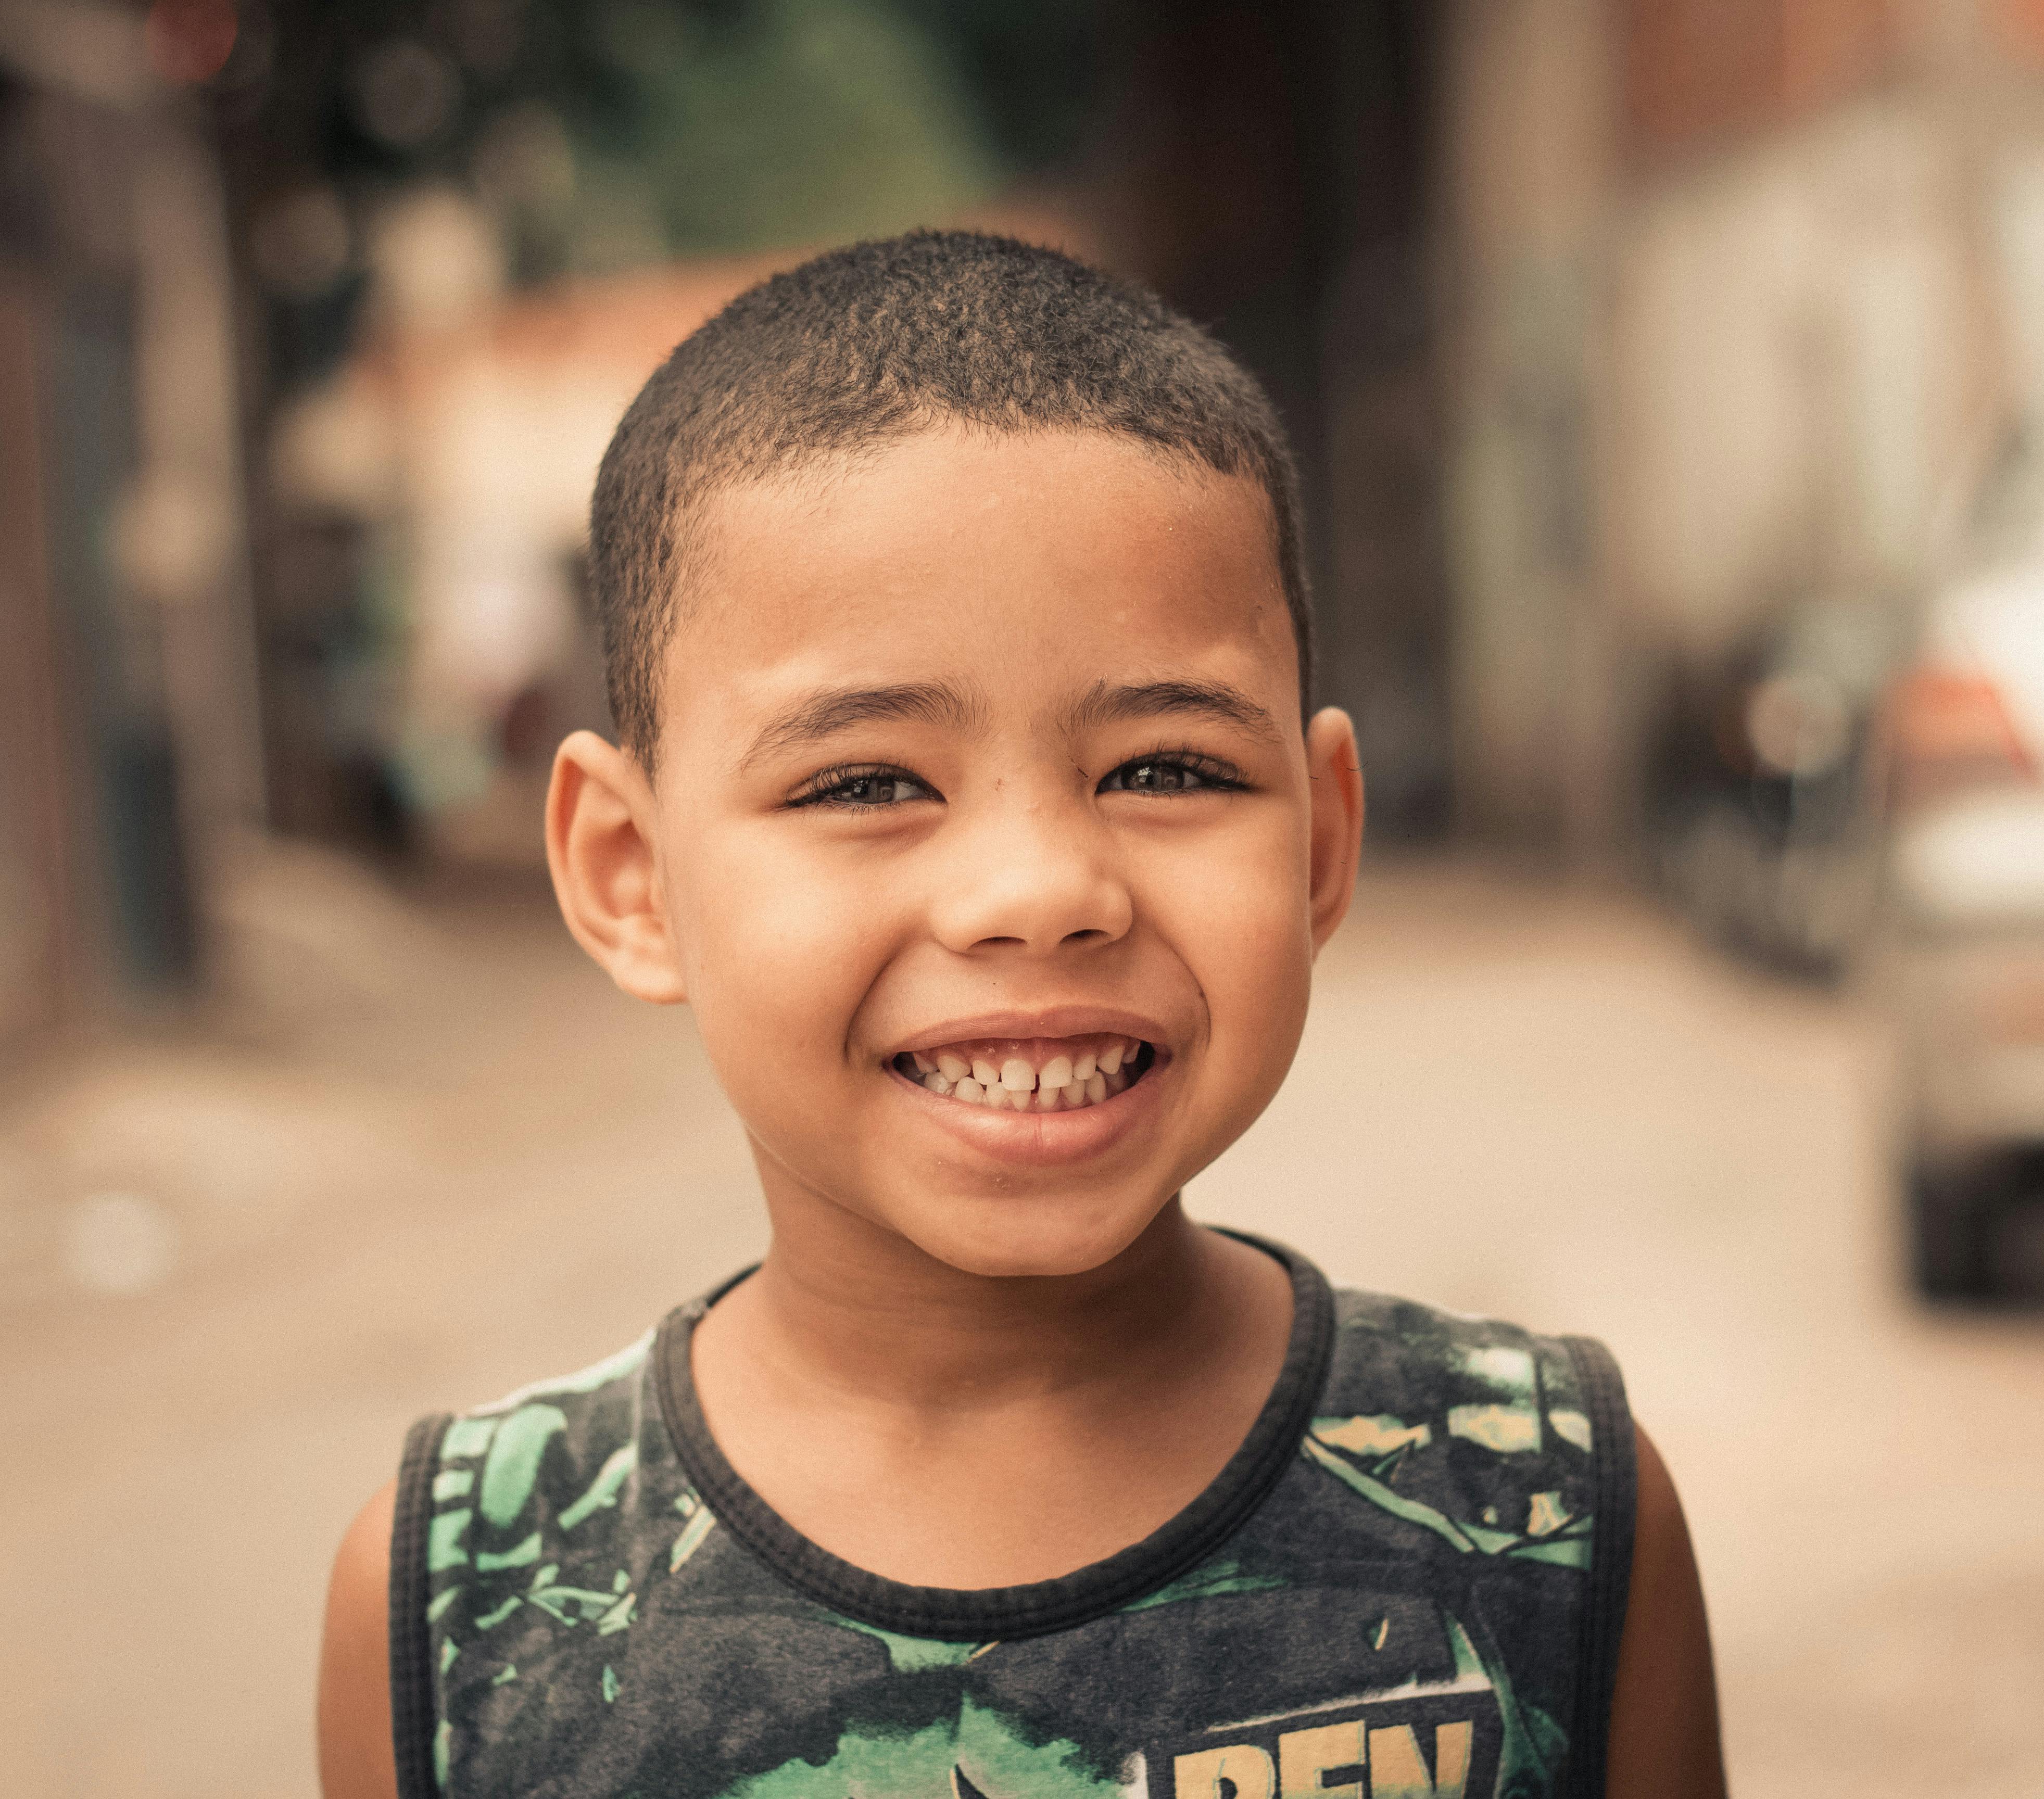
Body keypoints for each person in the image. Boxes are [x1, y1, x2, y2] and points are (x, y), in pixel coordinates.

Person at [316, 231, 1725, 1799]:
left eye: (1167, 768)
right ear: (632, 875)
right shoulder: (467, 1599)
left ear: (1322, 839)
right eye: (864, 784)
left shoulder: (1548, 1516)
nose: (1040, 889)